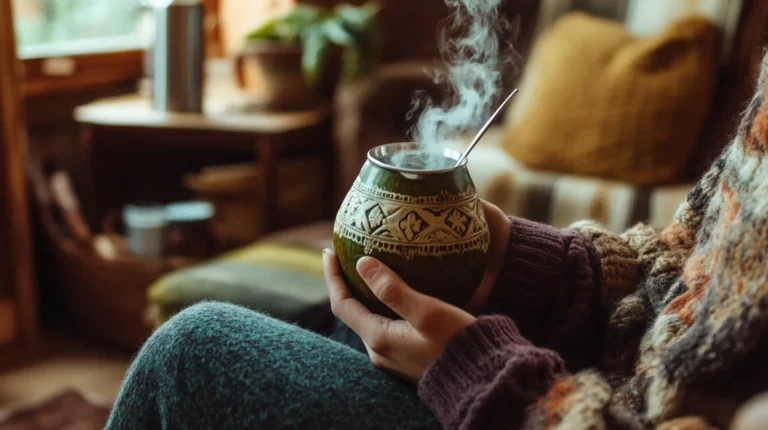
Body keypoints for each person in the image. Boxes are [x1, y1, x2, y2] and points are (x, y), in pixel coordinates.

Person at [106, 53, 768, 430]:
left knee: (193, 349)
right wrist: (553, 269)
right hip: (615, 375)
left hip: (572, 412)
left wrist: (491, 381)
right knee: (349, 328)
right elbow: (698, 266)